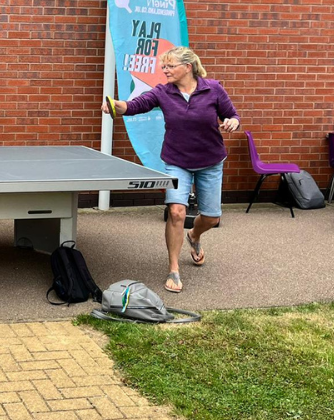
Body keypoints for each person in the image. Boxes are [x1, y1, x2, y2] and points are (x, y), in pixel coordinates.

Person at [102, 46, 240, 294]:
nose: (164, 70)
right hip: (177, 161)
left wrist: (232, 122)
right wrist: (116, 106)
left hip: (210, 161)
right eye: (163, 66)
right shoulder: (162, 92)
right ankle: (174, 268)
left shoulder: (213, 89)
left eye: (169, 66)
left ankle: (194, 236)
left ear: (187, 67)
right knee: (176, 212)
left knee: (211, 218)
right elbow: (136, 105)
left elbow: (232, 116)